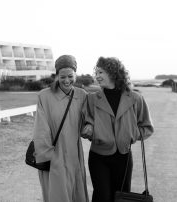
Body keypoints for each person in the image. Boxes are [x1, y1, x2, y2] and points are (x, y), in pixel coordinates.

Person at [81, 56, 154, 202]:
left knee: (121, 196)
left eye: (101, 72)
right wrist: (90, 130)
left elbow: (146, 127)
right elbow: (84, 123)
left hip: (124, 157)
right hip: (98, 157)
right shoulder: (92, 99)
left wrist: (131, 134)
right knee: (102, 196)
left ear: (113, 73)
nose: (97, 76)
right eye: (97, 72)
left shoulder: (135, 98)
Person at [33, 55, 89, 202]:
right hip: (53, 155)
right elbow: (41, 129)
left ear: (75, 75)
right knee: (57, 195)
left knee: (76, 193)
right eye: (62, 76)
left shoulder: (82, 95)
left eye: (70, 76)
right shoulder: (44, 96)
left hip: (75, 156)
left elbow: (88, 121)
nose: (66, 80)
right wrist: (49, 156)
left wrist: (90, 126)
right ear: (57, 76)